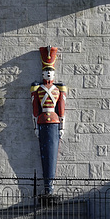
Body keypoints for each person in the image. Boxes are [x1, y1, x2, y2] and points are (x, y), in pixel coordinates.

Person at [31, 46, 66, 195]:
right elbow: (35, 110)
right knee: (45, 153)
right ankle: (47, 187)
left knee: (51, 154)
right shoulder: (38, 89)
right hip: (42, 120)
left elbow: (61, 109)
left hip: (54, 121)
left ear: (53, 74)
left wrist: (61, 127)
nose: (48, 74)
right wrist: (35, 127)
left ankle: (49, 188)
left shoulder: (58, 90)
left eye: (50, 72)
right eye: (46, 72)